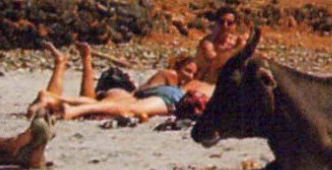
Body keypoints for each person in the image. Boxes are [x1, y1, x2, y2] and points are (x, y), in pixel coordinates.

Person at [32, 42, 213, 123]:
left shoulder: (179, 81)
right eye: (187, 71)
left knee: (104, 104)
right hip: (169, 99)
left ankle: (54, 100)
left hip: (157, 97)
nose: (190, 76)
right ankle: (71, 108)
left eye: (192, 73)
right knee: (129, 109)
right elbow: (144, 92)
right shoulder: (170, 76)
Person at [194, 7, 248, 83]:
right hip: (207, 82)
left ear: (235, 25)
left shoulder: (237, 41)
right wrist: (237, 49)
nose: (225, 25)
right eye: (221, 22)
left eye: (229, 23)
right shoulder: (208, 42)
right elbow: (215, 63)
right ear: (216, 23)